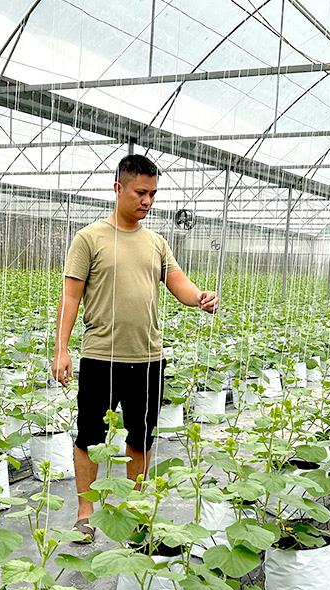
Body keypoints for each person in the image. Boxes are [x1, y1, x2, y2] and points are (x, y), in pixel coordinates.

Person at [52, 154, 218, 544]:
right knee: (89, 436)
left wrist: (200, 298)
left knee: (139, 436)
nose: (148, 201)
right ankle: (85, 512)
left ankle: (136, 510)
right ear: (118, 189)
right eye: (141, 192)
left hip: (148, 360)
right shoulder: (89, 239)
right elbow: (70, 297)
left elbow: (178, 283)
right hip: (100, 357)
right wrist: (62, 349)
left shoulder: (157, 242)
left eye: (153, 194)